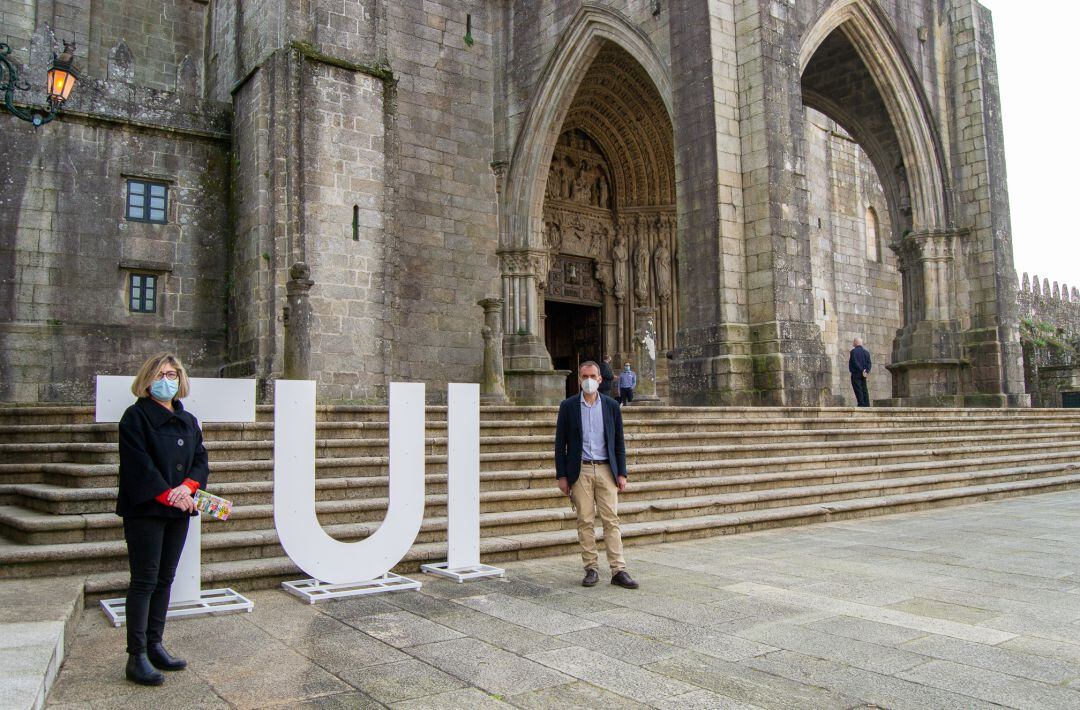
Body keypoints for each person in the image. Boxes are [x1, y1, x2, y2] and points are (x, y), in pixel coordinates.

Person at [117, 353, 209, 685]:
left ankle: (155, 645)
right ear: (147, 379)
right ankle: (136, 655)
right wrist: (169, 493)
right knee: (144, 580)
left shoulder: (188, 420)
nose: (166, 379)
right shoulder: (134, 417)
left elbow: (200, 459)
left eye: (172, 374)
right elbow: (138, 464)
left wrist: (187, 488)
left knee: (165, 580)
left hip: (178, 509)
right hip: (146, 509)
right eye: (159, 373)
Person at [554, 361, 639, 589]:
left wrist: (622, 473)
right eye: (585, 376)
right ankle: (591, 567)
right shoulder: (568, 406)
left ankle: (618, 569)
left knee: (611, 520)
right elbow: (559, 443)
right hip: (580, 469)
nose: (589, 380)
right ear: (579, 379)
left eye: (593, 375)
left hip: (605, 469)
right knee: (585, 520)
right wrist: (562, 476)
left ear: (600, 379)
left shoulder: (611, 406)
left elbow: (619, 442)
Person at [848, 337, 872, 407]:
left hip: (856, 373)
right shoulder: (866, 352)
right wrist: (866, 371)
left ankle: (861, 404)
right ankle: (867, 404)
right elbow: (869, 363)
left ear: (856, 342)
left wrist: (861, 370)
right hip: (864, 374)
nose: (853, 343)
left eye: (853, 342)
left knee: (858, 388)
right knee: (864, 388)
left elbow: (855, 362)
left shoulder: (853, 351)